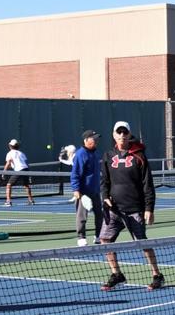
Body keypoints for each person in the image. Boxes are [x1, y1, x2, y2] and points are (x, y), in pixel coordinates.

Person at [100, 121, 164, 291]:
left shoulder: (139, 156)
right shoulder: (107, 155)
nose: (121, 135)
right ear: (114, 134)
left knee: (141, 242)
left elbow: (147, 184)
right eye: (118, 132)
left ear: (129, 134)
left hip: (135, 208)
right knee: (105, 240)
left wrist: (149, 208)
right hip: (113, 210)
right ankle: (117, 274)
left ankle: (157, 275)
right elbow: (104, 181)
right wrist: (105, 197)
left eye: (124, 132)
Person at [69, 130, 103, 247]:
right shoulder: (80, 154)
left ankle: (98, 236)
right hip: (83, 192)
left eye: (96, 138)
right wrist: (76, 190)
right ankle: (81, 237)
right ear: (86, 140)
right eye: (93, 138)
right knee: (82, 216)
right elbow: (75, 174)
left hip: (96, 191)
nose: (96, 140)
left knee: (100, 215)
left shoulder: (96, 153)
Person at [3, 139, 34, 206]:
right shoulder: (21, 153)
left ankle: (8, 201)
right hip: (26, 169)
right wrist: (29, 173)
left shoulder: (9, 153)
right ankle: (31, 200)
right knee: (26, 185)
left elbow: (8, 163)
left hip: (19, 170)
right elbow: (26, 163)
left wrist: (4, 172)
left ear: (10, 146)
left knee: (8, 185)